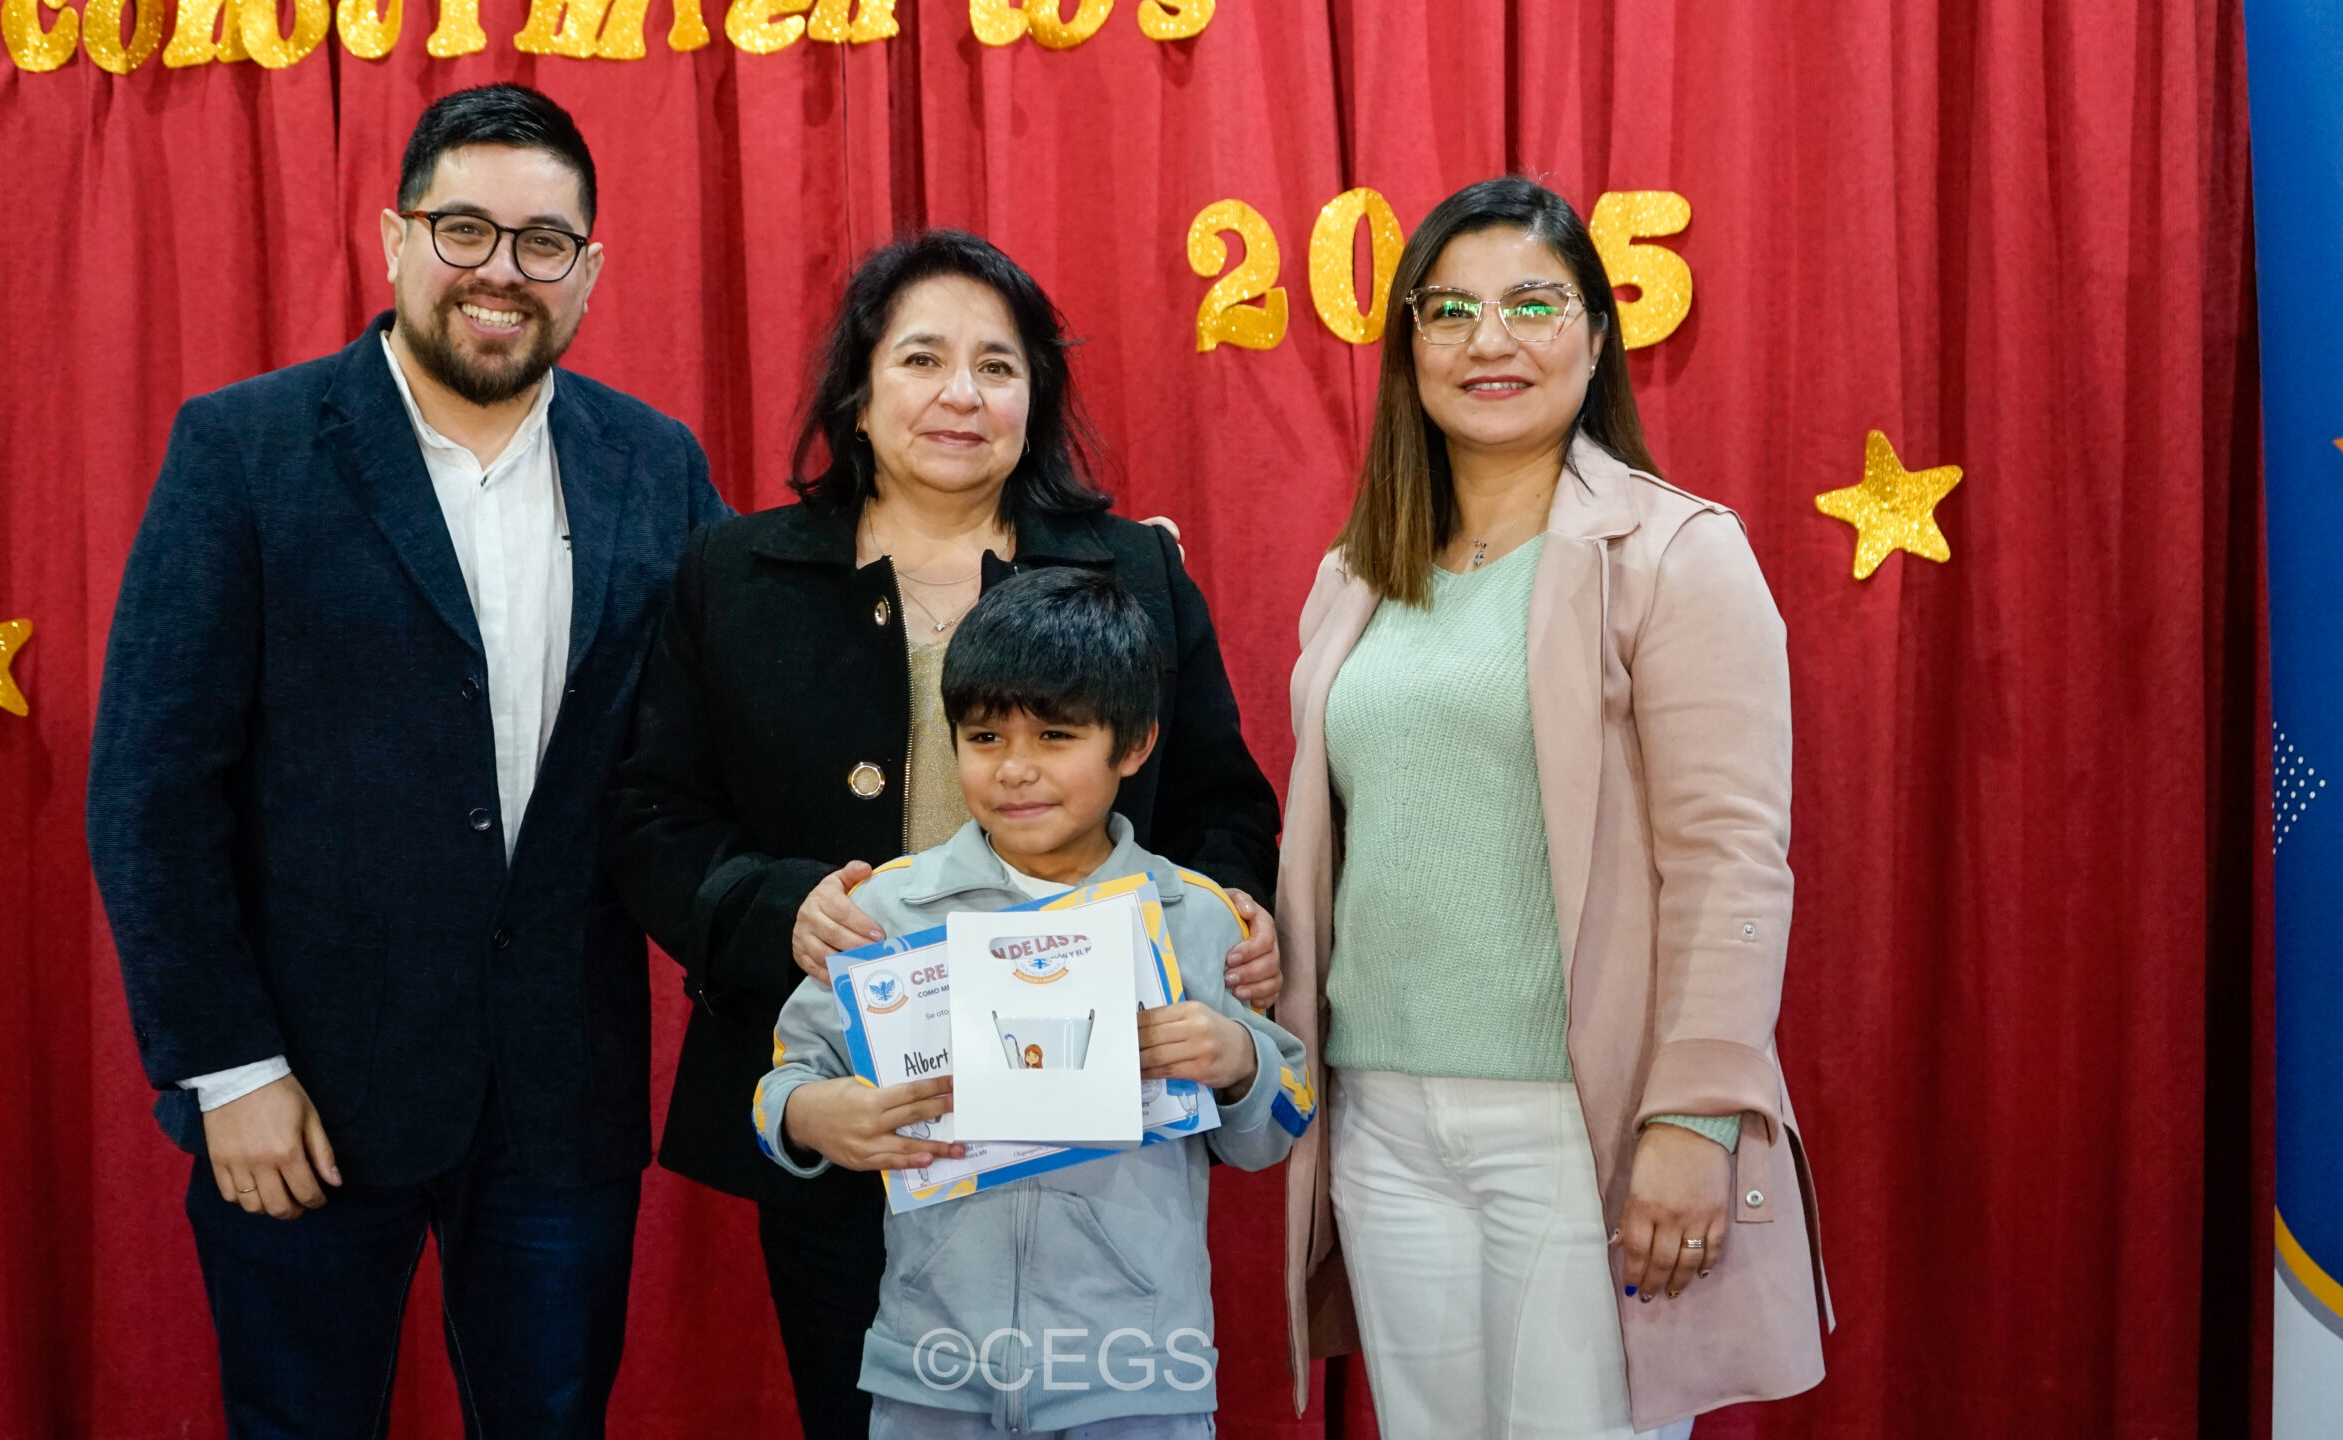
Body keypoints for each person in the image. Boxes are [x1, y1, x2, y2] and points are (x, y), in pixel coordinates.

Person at [87, 85, 727, 1438]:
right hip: (302, 1099)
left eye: (543, 242)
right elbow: (151, 791)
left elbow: (737, 716)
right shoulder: (245, 449)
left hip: (561, 1101)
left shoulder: (654, 464)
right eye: (464, 229)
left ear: (589, 269)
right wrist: (228, 1069)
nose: (502, 270)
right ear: (394, 239)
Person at [608, 229, 1284, 1440]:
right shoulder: (735, 573)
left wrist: (1228, 920)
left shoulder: (1129, 569)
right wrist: (780, 910)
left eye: (998, 366)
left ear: (1037, 398)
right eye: (921, 359)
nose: (960, 394)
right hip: (856, 1109)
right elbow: (652, 818)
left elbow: (1219, 804)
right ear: (859, 394)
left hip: (1089, 1132)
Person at [1269, 177, 1832, 1439]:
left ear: (1595, 335)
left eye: (1532, 303)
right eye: (1450, 309)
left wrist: (1696, 1115)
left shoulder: (1675, 553)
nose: (1491, 339)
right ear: (1408, 345)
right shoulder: (1355, 574)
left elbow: (1732, 862)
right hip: (1379, 1115)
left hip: (1577, 1123)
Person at [754, 565, 1314, 1439]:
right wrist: (814, 1119)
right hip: (933, 1367)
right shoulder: (887, 909)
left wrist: (1239, 1063)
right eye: (984, 737)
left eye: (1056, 735)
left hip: (1137, 1374)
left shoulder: (1196, 915)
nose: (1016, 770)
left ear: (1134, 745)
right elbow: (780, 1086)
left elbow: (1277, 1128)